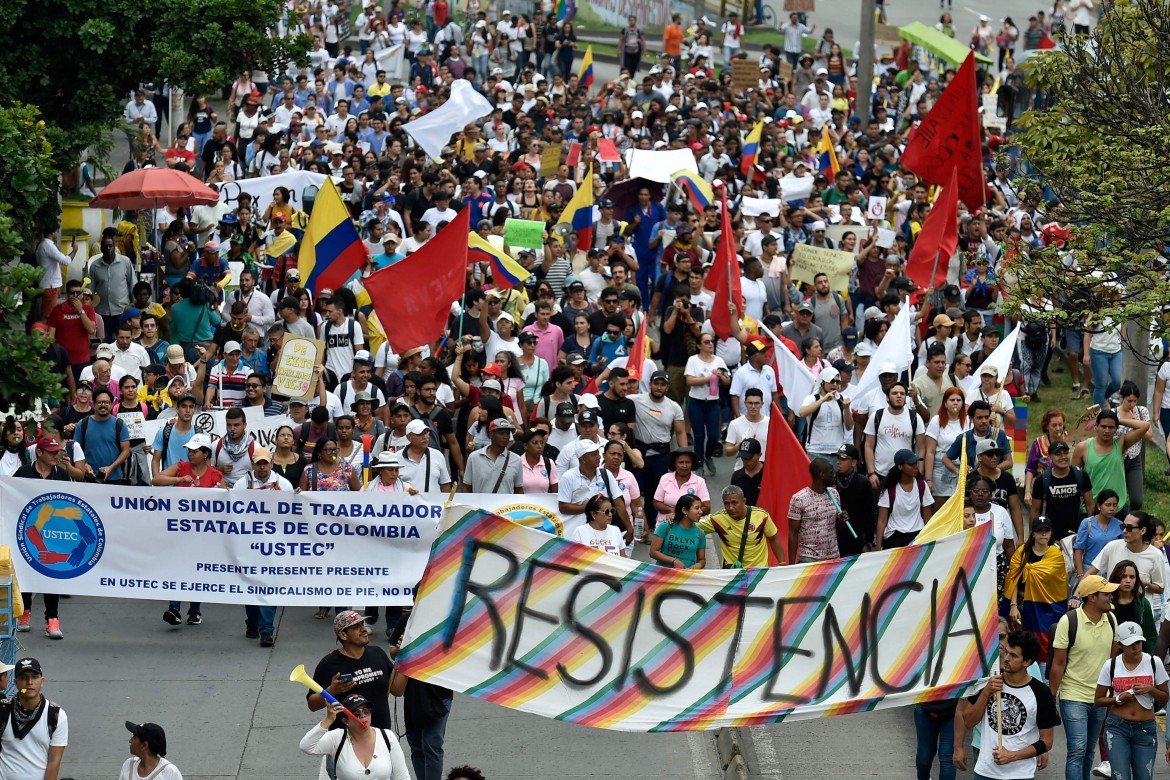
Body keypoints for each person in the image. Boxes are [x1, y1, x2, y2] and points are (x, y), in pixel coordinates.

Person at [960, 630, 1058, 780]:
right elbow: (968, 722)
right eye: (1006, 652)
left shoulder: (1041, 692)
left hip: (1020, 774)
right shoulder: (989, 682)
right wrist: (986, 692)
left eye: (1013, 655)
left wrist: (1012, 756)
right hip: (985, 772)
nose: (1006, 658)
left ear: (1027, 662)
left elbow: (1047, 741)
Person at [1049, 575, 1119, 780]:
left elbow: (1112, 660)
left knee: (1089, 750)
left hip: (1100, 697)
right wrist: (1051, 697)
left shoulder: (1112, 620)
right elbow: (1058, 664)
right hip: (1073, 695)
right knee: (1078, 749)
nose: (1111, 597)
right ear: (1091, 597)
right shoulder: (1068, 621)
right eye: (1106, 594)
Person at [13, 438, 72, 639]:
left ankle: (52, 619)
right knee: (26, 570)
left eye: (57, 452)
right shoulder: (23, 474)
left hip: (55, 533)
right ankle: (25, 612)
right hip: (29, 532)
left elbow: (70, 504)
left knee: (51, 573)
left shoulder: (63, 475)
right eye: (52, 452)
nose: (56, 455)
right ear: (40, 453)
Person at [1095, 623, 1168, 780]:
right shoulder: (1111, 665)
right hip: (1117, 728)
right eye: (1131, 644)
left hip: (1145, 729)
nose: (1136, 647)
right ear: (1120, 645)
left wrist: (1151, 689)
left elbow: (1165, 697)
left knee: (1144, 776)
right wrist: (1118, 699)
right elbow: (1098, 700)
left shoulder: (1154, 662)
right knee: (1120, 776)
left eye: (1139, 642)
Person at [308, 611, 394, 734]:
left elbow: (397, 690)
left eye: (363, 625)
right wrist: (331, 691)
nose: (363, 629)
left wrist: (404, 656)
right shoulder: (329, 663)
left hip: (380, 735)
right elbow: (312, 704)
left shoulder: (378, 653)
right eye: (356, 627)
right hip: (345, 739)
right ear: (343, 635)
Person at [300, 693, 410, 780]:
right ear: (346, 721)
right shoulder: (337, 738)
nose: (362, 715)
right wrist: (328, 720)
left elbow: (402, 777)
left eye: (366, 711)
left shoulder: (387, 736)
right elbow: (306, 746)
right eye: (356, 713)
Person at [1006, 516, 1068, 666]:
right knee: (1022, 644)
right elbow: (1013, 580)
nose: (1043, 534)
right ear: (1033, 534)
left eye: (1046, 531)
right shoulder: (1021, 552)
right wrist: (1013, 606)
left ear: (1051, 533)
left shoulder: (1055, 555)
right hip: (1022, 607)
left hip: (1046, 609)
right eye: (1039, 531)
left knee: (1044, 645)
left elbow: (1057, 585)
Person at [0, 658, 68, 780]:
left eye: (35, 677)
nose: (29, 682)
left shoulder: (56, 715)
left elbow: (54, 761)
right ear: (16, 683)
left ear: (42, 681)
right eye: (23, 677)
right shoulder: (2, 709)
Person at [1072, 410, 1149, 512]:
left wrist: (1118, 420)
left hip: (1117, 507)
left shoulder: (1120, 444)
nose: (1107, 431)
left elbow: (1145, 426)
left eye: (1111, 427)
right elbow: (1073, 479)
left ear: (1116, 429)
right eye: (1103, 426)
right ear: (1096, 426)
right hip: (1092, 507)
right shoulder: (1083, 447)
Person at [699, 485, 788, 567]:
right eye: (726, 503)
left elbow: (774, 538)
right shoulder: (717, 519)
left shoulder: (761, 516)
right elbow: (689, 528)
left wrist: (782, 563)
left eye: (734, 503)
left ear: (744, 501)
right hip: (732, 574)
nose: (731, 508)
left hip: (758, 573)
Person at [864, 382, 921, 490]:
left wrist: (919, 473)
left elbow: (921, 448)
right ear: (887, 398)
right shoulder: (876, 416)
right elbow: (868, 446)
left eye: (902, 393)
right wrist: (871, 473)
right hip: (880, 473)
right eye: (895, 393)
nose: (899, 396)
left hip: (906, 473)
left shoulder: (915, 418)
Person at [787, 459, 843, 563]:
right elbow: (793, 533)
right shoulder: (799, 499)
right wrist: (791, 565)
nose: (834, 475)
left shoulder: (834, 494)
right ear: (822, 475)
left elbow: (837, 528)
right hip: (809, 559)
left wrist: (842, 519)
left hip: (833, 557)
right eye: (831, 472)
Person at [876, 449, 933, 549]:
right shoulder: (889, 489)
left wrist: (931, 539)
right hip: (894, 536)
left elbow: (927, 517)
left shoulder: (922, 485)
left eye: (916, 463)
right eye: (911, 464)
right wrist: (878, 546)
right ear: (900, 466)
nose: (916, 467)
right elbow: (882, 520)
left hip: (918, 535)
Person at [1072, 489, 1123, 581]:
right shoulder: (1087, 523)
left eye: (1115, 505)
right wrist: (1080, 574)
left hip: (1111, 571)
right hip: (1089, 570)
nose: (1112, 508)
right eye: (1108, 505)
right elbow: (1078, 549)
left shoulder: (1120, 525)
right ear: (1099, 506)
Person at [649, 494, 706, 568]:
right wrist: (673, 561)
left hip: (686, 577)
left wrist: (694, 567)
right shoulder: (666, 526)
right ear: (684, 510)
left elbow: (702, 560)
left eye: (701, 508)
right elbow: (653, 552)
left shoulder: (700, 533)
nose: (701, 512)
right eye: (697, 508)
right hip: (664, 575)